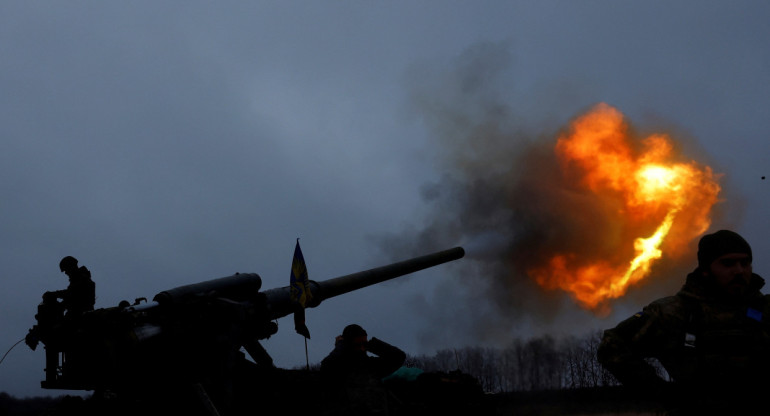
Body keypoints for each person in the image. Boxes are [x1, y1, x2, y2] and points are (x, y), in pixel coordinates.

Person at [597, 230, 769, 414]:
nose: (739, 270)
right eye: (728, 263)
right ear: (705, 269)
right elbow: (612, 345)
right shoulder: (674, 312)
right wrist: (662, 392)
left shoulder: (765, 310)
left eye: (745, 263)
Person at [320, 324, 406, 415]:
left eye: (364, 344)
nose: (362, 348)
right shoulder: (338, 368)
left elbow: (398, 357)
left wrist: (371, 345)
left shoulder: (371, 366)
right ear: (347, 345)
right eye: (357, 345)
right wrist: (340, 345)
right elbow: (327, 365)